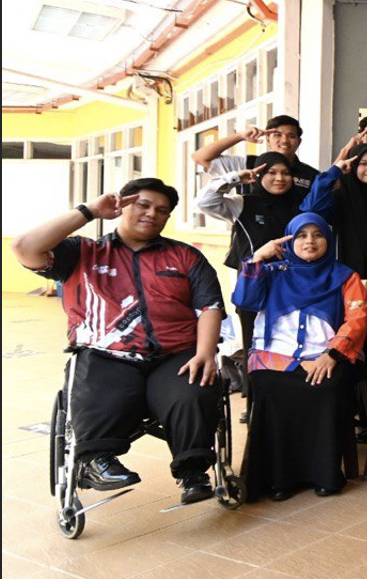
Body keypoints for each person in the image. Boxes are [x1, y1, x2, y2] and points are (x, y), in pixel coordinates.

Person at [12, 179, 226, 504]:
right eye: (143, 205)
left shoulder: (185, 256)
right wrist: (89, 211)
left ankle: (193, 470)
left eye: (162, 210)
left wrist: (206, 353)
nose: (152, 214)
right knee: (92, 378)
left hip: (173, 355)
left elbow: (210, 307)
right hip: (105, 354)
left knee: (194, 387)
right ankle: (97, 462)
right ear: (122, 206)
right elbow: (24, 248)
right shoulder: (83, 252)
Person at [231, 212, 367, 501]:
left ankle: (324, 474)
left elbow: (357, 318)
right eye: (301, 235)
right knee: (272, 388)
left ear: (329, 240)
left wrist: (332, 354)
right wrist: (257, 258)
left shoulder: (346, 276)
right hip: (274, 355)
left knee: (327, 386)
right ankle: (279, 478)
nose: (310, 241)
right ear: (289, 241)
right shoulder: (272, 272)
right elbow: (244, 301)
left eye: (318, 235)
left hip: (327, 354)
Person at [300, 138, 367, 385]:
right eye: (363, 164)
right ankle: (353, 405)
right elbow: (311, 210)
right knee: (348, 350)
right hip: (345, 289)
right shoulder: (338, 199)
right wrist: (335, 171)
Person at [197, 152, 307, 341]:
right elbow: (204, 202)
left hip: (294, 286)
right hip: (254, 286)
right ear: (259, 176)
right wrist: (234, 178)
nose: (280, 178)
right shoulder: (244, 203)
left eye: (285, 173)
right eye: (272, 172)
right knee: (254, 346)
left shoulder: (301, 205)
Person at [193, 114, 320, 191]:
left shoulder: (312, 175)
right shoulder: (247, 165)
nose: (284, 140)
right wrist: (240, 136)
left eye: (291, 136)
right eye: (277, 135)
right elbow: (200, 157)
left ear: (299, 141)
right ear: (268, 139)